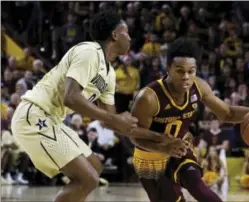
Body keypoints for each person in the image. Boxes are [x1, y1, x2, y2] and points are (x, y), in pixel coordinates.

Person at [11, 11, 187, 202]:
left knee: (94, 166)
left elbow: (115, 124)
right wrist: (114, 119)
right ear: (114, 35)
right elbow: (70, 97)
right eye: (126, 33)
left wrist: (162, 141)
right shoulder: (88, 52)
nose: (130, 38)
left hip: (53, 121)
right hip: (34, 114)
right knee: (87, 179)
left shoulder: (109, 75)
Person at [130, 38, 249, 202]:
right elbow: (134, 135)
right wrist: (163, 145)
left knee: (198, 187)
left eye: (191, 71)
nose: (186, 76)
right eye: (180, 71)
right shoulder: (149, 97)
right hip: (150, 159)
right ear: (168, 68)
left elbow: (227, 113)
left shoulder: (198, 86)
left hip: (179, 146)